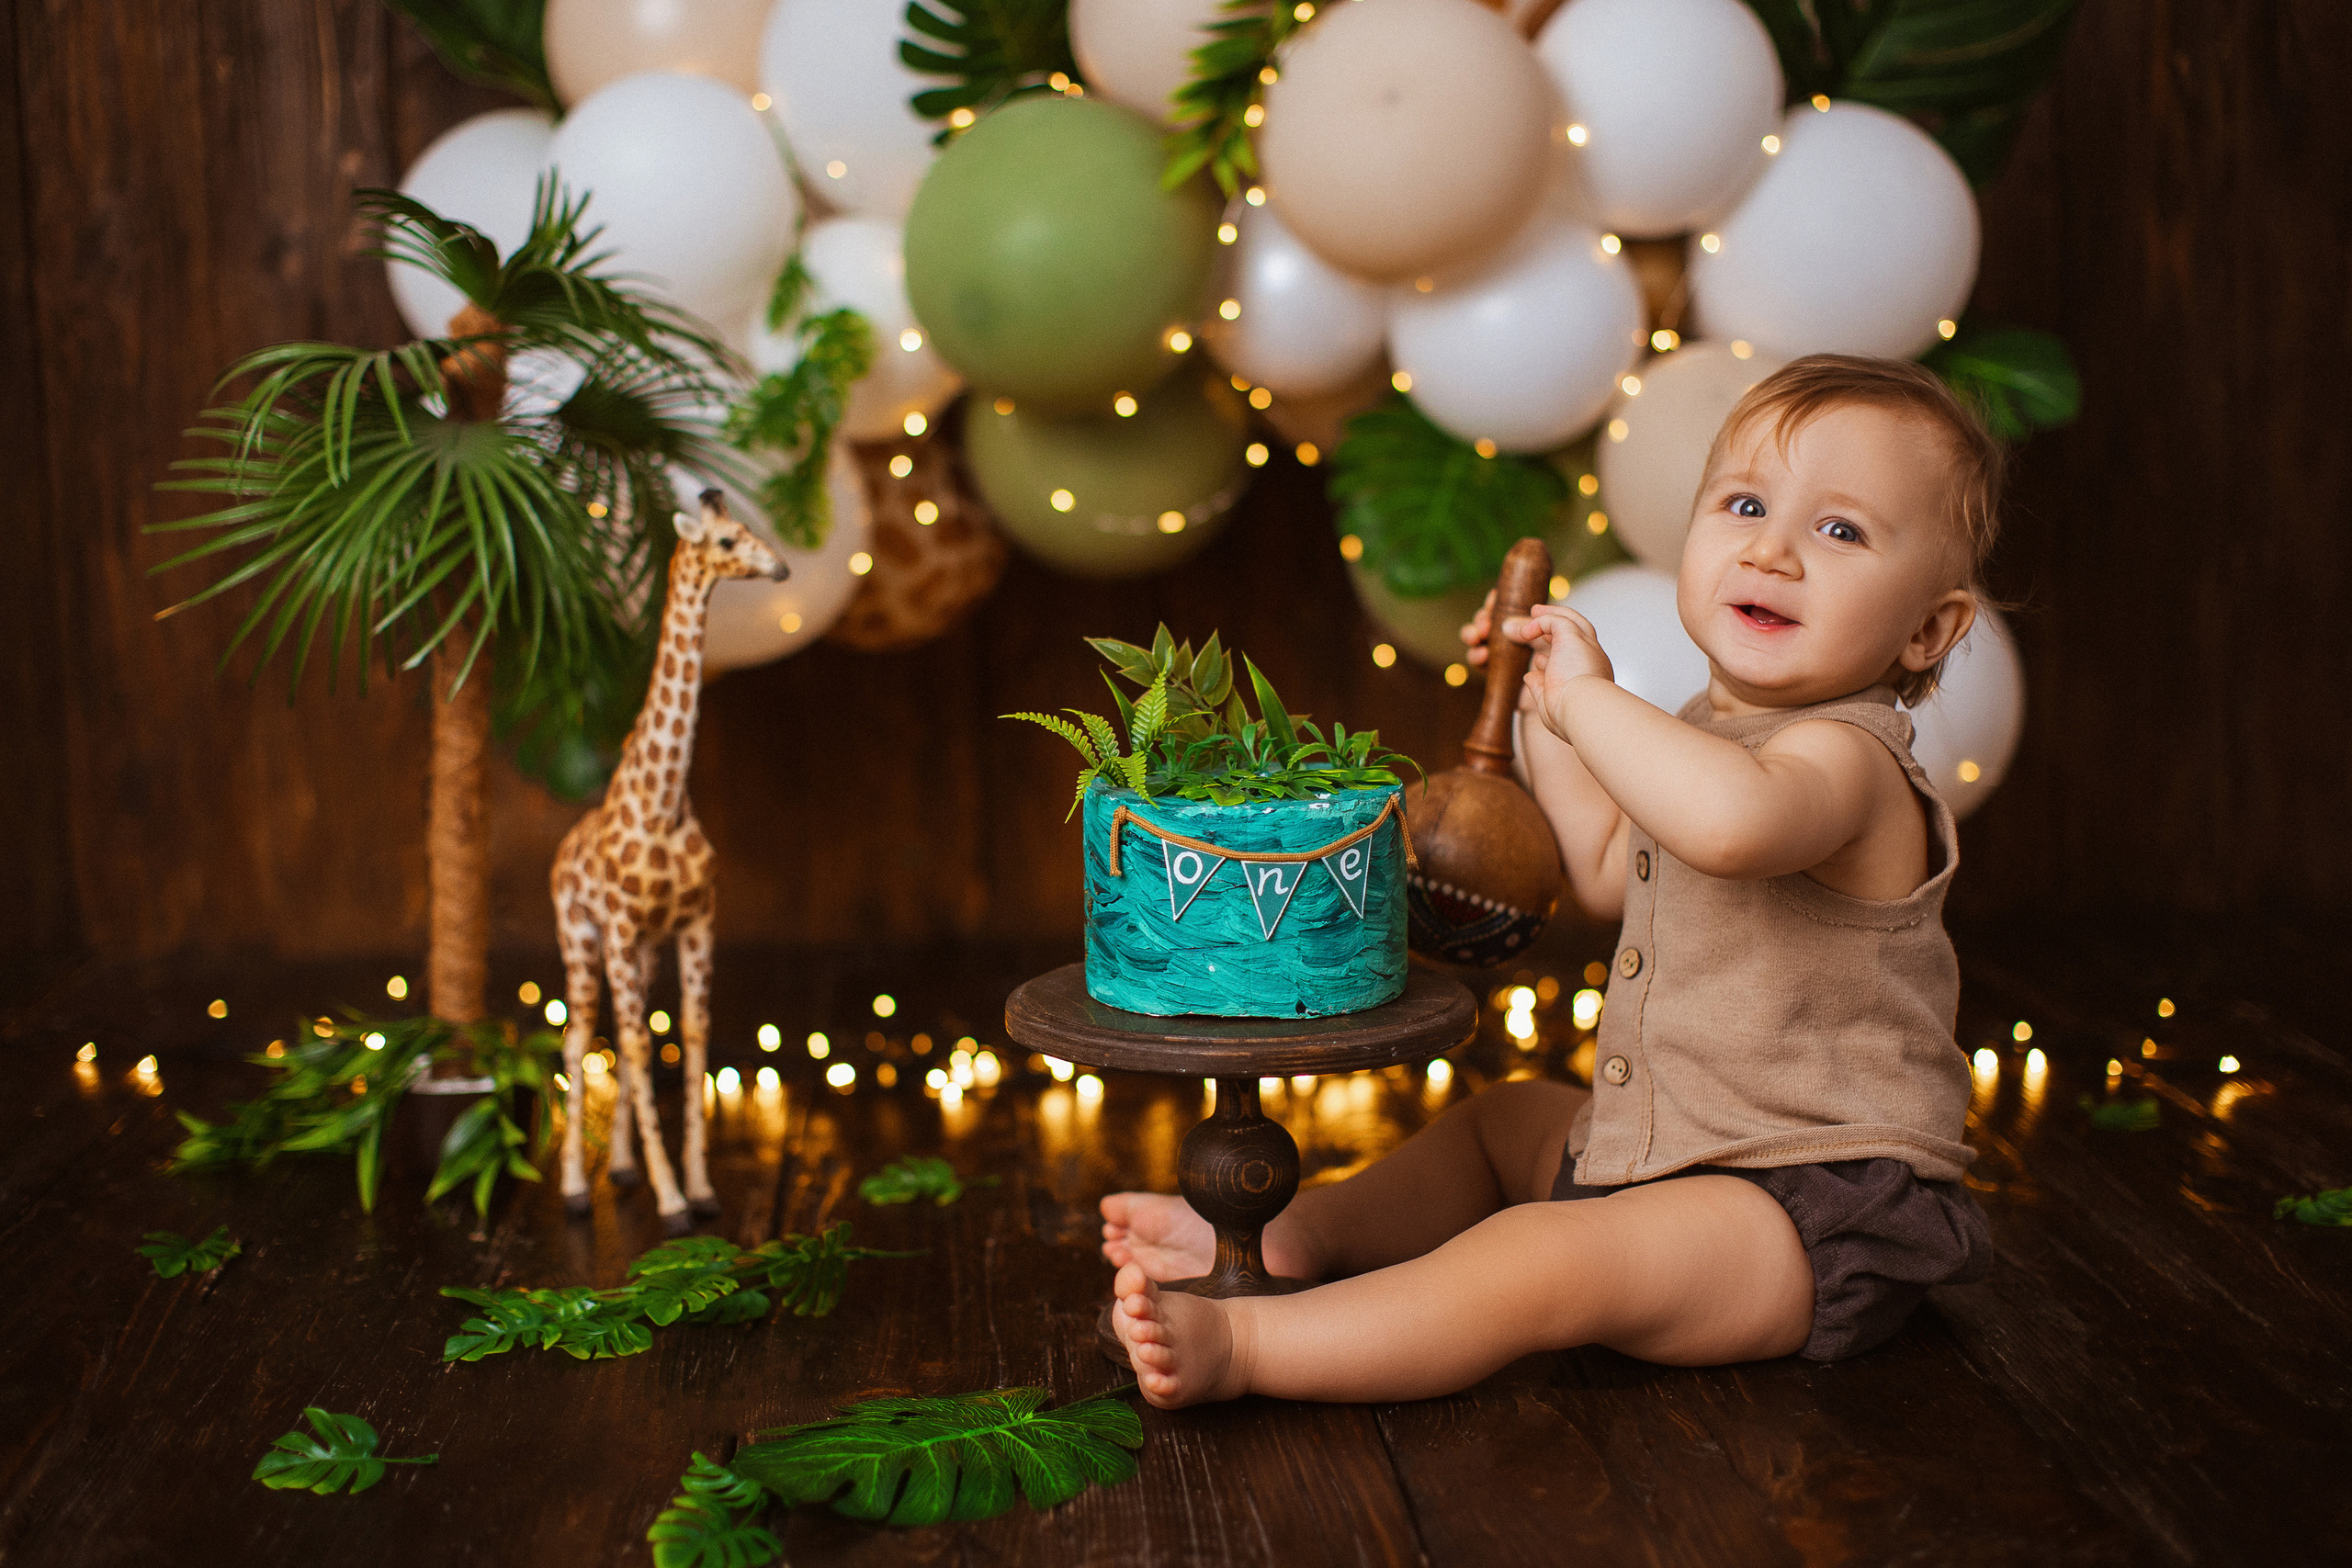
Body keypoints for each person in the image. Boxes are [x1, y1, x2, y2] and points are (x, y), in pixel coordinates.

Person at [1101, 355, 1998, 1407]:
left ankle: (1253, 1352)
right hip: (1664, 1155)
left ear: (1928, 629)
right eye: (1746, 504)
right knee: (1503, 1121)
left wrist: (1589, 707)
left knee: (1543, 1257)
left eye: (1839, 531)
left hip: (1803, 1207)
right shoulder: (1709, 738)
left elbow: (1726, 822)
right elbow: (1612, 870)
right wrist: (1546, 708)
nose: (1772, 549)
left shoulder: (1848, 761)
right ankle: (1298, 1232)